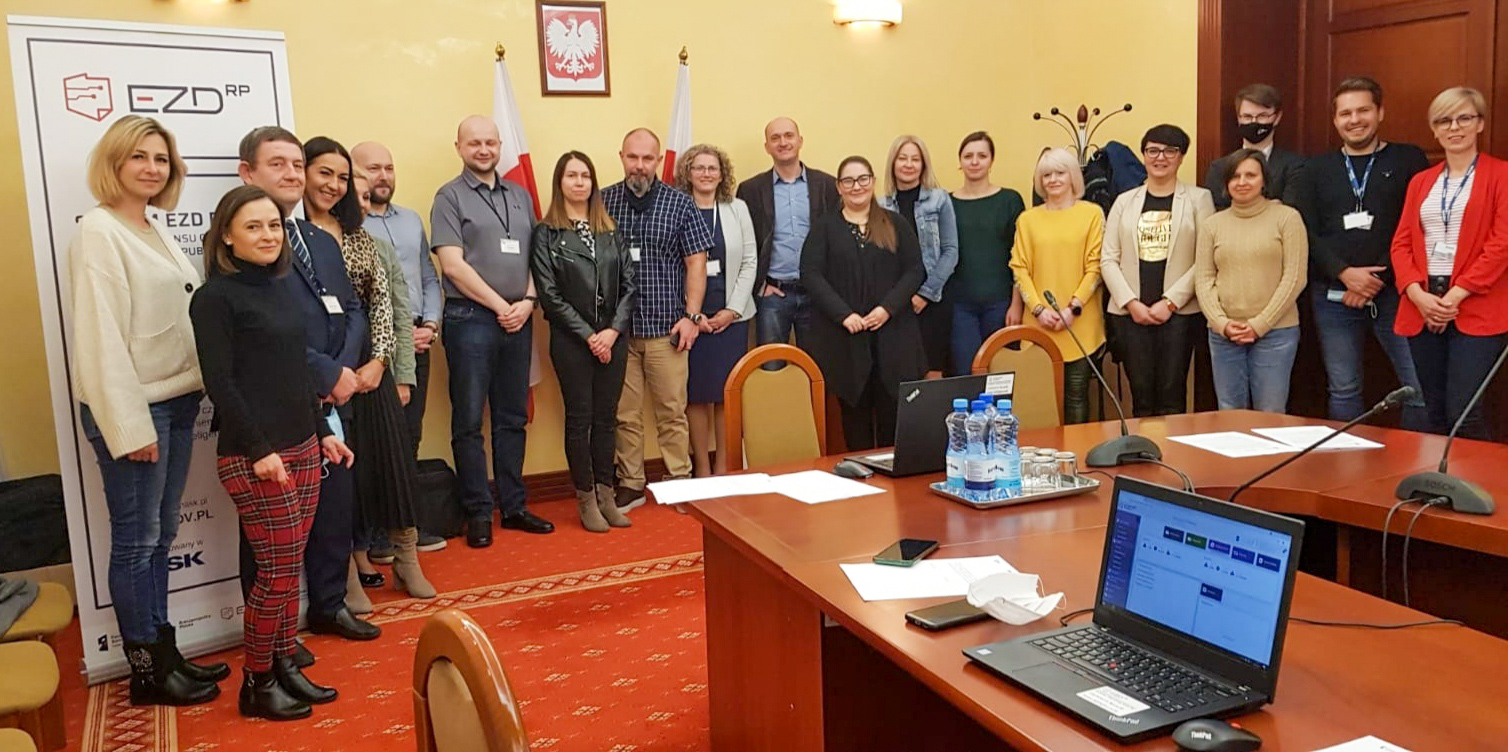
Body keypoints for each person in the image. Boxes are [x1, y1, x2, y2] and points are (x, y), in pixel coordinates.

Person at [69, 115, 225, 706]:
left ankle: (165, 652)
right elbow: (100, 337)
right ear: (114, 162)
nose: (152, 168)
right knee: (137, 542)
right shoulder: (98, 231)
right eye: (139, 156)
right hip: (137, 410)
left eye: (161, 159)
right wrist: (129, 425)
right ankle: (146, 672)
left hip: (177, 399)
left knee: (159, 538)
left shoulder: (152, 227)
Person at [190, 185, 354, 720]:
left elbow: (295, 373)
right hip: (255, 457)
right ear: (227, 236)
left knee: (288, 570)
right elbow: (220, 383)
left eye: (274, 225)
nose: (267, 235)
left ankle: (284, 665)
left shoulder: (280, 287)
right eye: (253, 226)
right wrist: (261, 450)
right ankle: (257, 682)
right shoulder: (215, 298)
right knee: (277, 575)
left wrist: (323, 429)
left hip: (302, 444)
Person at [236, 126, 378, 647]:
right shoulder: (245, 244)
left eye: (298, 164)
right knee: (271, 529)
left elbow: (353, 309)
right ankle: (273, 635)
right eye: (278, 164)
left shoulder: (318, 237)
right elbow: (258, 334)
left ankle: (328, 605)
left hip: (334, 399)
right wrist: (325, 374)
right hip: (277, 405)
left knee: (334, 508)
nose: (292, 174)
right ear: (248, 173)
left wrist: (341, 372)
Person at [302, 137, 436, 606]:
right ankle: (348, 571)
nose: (334, 186)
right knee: (345, 475)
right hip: (324, 374)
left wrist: (382, 363)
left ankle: (406, 557)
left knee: (394, 464)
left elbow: (384, 306)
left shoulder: (363, 239)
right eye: (326, 174)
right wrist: (332, 372)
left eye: (342, 178)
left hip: (372, 370)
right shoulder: (293, 236)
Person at [431, 116, 554, 547]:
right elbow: (452, 265)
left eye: (490, 142)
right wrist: (503, 306)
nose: (483, 150)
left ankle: (514, 506)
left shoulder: (519, 195)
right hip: (471, 319)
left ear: (500, 145)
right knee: (468, 420)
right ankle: (479, 511)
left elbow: (539, 257)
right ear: (459, 147)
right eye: (474, 143)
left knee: (512, 418)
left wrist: (529, 301)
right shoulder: (449, 197)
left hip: (519, 317)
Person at [1296, 77, 1430, 428]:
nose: (1354, 120)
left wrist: (1376, 279)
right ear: (1335, 119)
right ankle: (1348, 458)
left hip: (1398, 292)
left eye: (1363, 110)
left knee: (1418, 386)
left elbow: (1417, 224)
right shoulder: (1315, 169)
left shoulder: (1409, 159)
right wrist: (1344, 273)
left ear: (1380, 112)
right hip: (1332, 294)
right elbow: (1304, 230)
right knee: (1343, 389)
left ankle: (1419, 458)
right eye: (1345, 113)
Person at [602, 128, 713, 509]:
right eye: (632, 157)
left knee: (671, 413)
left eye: (647, 158)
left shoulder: (680, 204)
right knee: (624, 415)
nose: (639, 166)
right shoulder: (602, 203)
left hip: (667, 330)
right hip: (618, 332)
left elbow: (696, 263)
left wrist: (692, 316)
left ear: (658, 161)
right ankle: (631, 482)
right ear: (621, 157)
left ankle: (679, 480)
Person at [1391, 86, 1508, 439]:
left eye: (1464, 118)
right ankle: (1442, 476)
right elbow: (1401, 243)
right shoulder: (1421, 182)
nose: (1454, 127)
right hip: (1424, 304)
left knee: (1464, 414)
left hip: (1476, 305)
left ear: (1480, 124)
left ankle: (1479, 477)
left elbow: (1501, 244)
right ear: (1434, 129)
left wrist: (1455, 295)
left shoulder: (1501, 175)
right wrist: (1417, 294)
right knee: (1435, 412)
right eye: (1444, 121)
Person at [530, 151, 636, 532]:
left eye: (585, 176)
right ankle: (586, 499)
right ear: (559, 183)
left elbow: (629, 286)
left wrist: (612, 331)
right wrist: (590, 336)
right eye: (571, 176)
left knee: (607, 418)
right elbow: (549, 295)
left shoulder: (609, 230)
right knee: (580, 419)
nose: (579, 182)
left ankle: (607, 495)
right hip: (573, 342)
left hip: (613, 338)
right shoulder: (546, 234)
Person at [350, 141, 447, 558]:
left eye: (388, 167)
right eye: (373, 168)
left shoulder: (410, 220)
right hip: (375, 350)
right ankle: (374, 534)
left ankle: (404, 526)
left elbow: (427, 278)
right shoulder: (349, 228)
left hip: (419, 341)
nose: (383, 176)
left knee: (409, 437)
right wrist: (399, 334)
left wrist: (430, 325)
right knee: (376, 443)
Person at [801, 156, 927, 450]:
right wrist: (843, 315)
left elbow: (915, 270)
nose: (856, 186)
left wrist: (887, 309)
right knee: (854, 420)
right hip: (846, 340)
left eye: (862, 179)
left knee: (892, 417)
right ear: (839, 187)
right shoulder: (824, 227)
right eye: (848, 181)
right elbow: (810, 274)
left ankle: (891, 474)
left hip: (893, 338)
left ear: (872, 182)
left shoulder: (895, 223)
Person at [1100, 125, 1215, 417]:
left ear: (1181, 156)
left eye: (1169, 151)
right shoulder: (1124, 201)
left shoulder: (1199, 199)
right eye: (1153, 150)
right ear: (1143, 155)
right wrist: (1131, 303)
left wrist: (1170, 302)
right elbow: (1108, 259)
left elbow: (1205, 257)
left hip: (1179, 313)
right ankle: (1143, 446)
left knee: (1171, 393)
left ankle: (1170, 447)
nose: (1160, 157)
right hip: (1130, 314)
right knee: (1140, 393)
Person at [1195, 149, 1308, 412]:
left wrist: (1260, 324)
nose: (1242, 182)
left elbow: (1295, 277)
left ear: (1264, 180)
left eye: (1250, 175)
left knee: (1270, 413)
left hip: (1276, 332)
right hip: (1224, 334)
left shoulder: (1287, 218)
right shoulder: (1212, 225)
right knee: (1229, 413)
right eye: (1235, 176)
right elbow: (1203, 279)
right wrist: (1221, 323)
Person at [675, 145, 758, 477]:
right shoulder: (678, 208)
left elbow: (750, 261)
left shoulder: (737, 208)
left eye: (713, 168)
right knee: (695, 394)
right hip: (689, 316)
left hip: (731, 317)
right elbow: (670, 266)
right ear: (688, 173)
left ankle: (724, 465)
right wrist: (693, 315)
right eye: (699, 168)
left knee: (728, 392)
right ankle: (702, 467)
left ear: (722, 174)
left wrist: (732, 311)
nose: (706, 174)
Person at [1010, 148, 1107, 424]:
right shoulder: (1027, 219)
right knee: (1041, 400)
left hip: (1080, 323)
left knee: (1076, 397)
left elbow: (1096, 267)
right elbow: (1019, 268)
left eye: (1060, 173)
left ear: (1073, 176)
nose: (1053, 180)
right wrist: (1039, 310)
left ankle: (1077, 449)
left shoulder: (1092, 214)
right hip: (1038, 323)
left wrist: (1072, 308)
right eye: (1046, 175)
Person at [736, 117, 840, 352]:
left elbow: (837, 238)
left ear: (800, 141)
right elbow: (743, 243)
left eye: (788, 136)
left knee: (817, 365)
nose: (783, 142)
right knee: (771, 365)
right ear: (767, 147)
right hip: (773, 295)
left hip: (818, 294)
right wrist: (759, 285)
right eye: (775, 138)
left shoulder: (827, 185)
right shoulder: (750, 190)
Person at [878, 135, 958, 375]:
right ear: (893, 163)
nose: (908, 164)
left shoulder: (939, 199)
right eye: (902, 158)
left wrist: (925, 294)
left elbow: (951, 251)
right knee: (901, 372)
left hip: (933, 300)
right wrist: (895, 300)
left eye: (915, 159)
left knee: (933, 370)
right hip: (896, 304)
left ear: (923, 165)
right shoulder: (879, 206)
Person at [949, 131, 1025, 376]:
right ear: (960, 161)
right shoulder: (946, 203)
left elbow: (1020, 257)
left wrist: (1017, 304)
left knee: (1000, 376)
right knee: (966, 374)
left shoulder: (1010, 200)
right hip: (960, 307)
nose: (975, 161)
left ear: (992, 160)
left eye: (982, 156)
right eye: (968, 156)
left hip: (1001, 304)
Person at [1205, 83, 1305, 209]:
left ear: (1277, 117)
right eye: (1247, 117)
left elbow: (1290, 210)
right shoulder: (1219, 168)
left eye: (1262, 116)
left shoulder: (1296, 166)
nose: (1254, 122)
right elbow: (1217, 213)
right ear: (1238, 118)